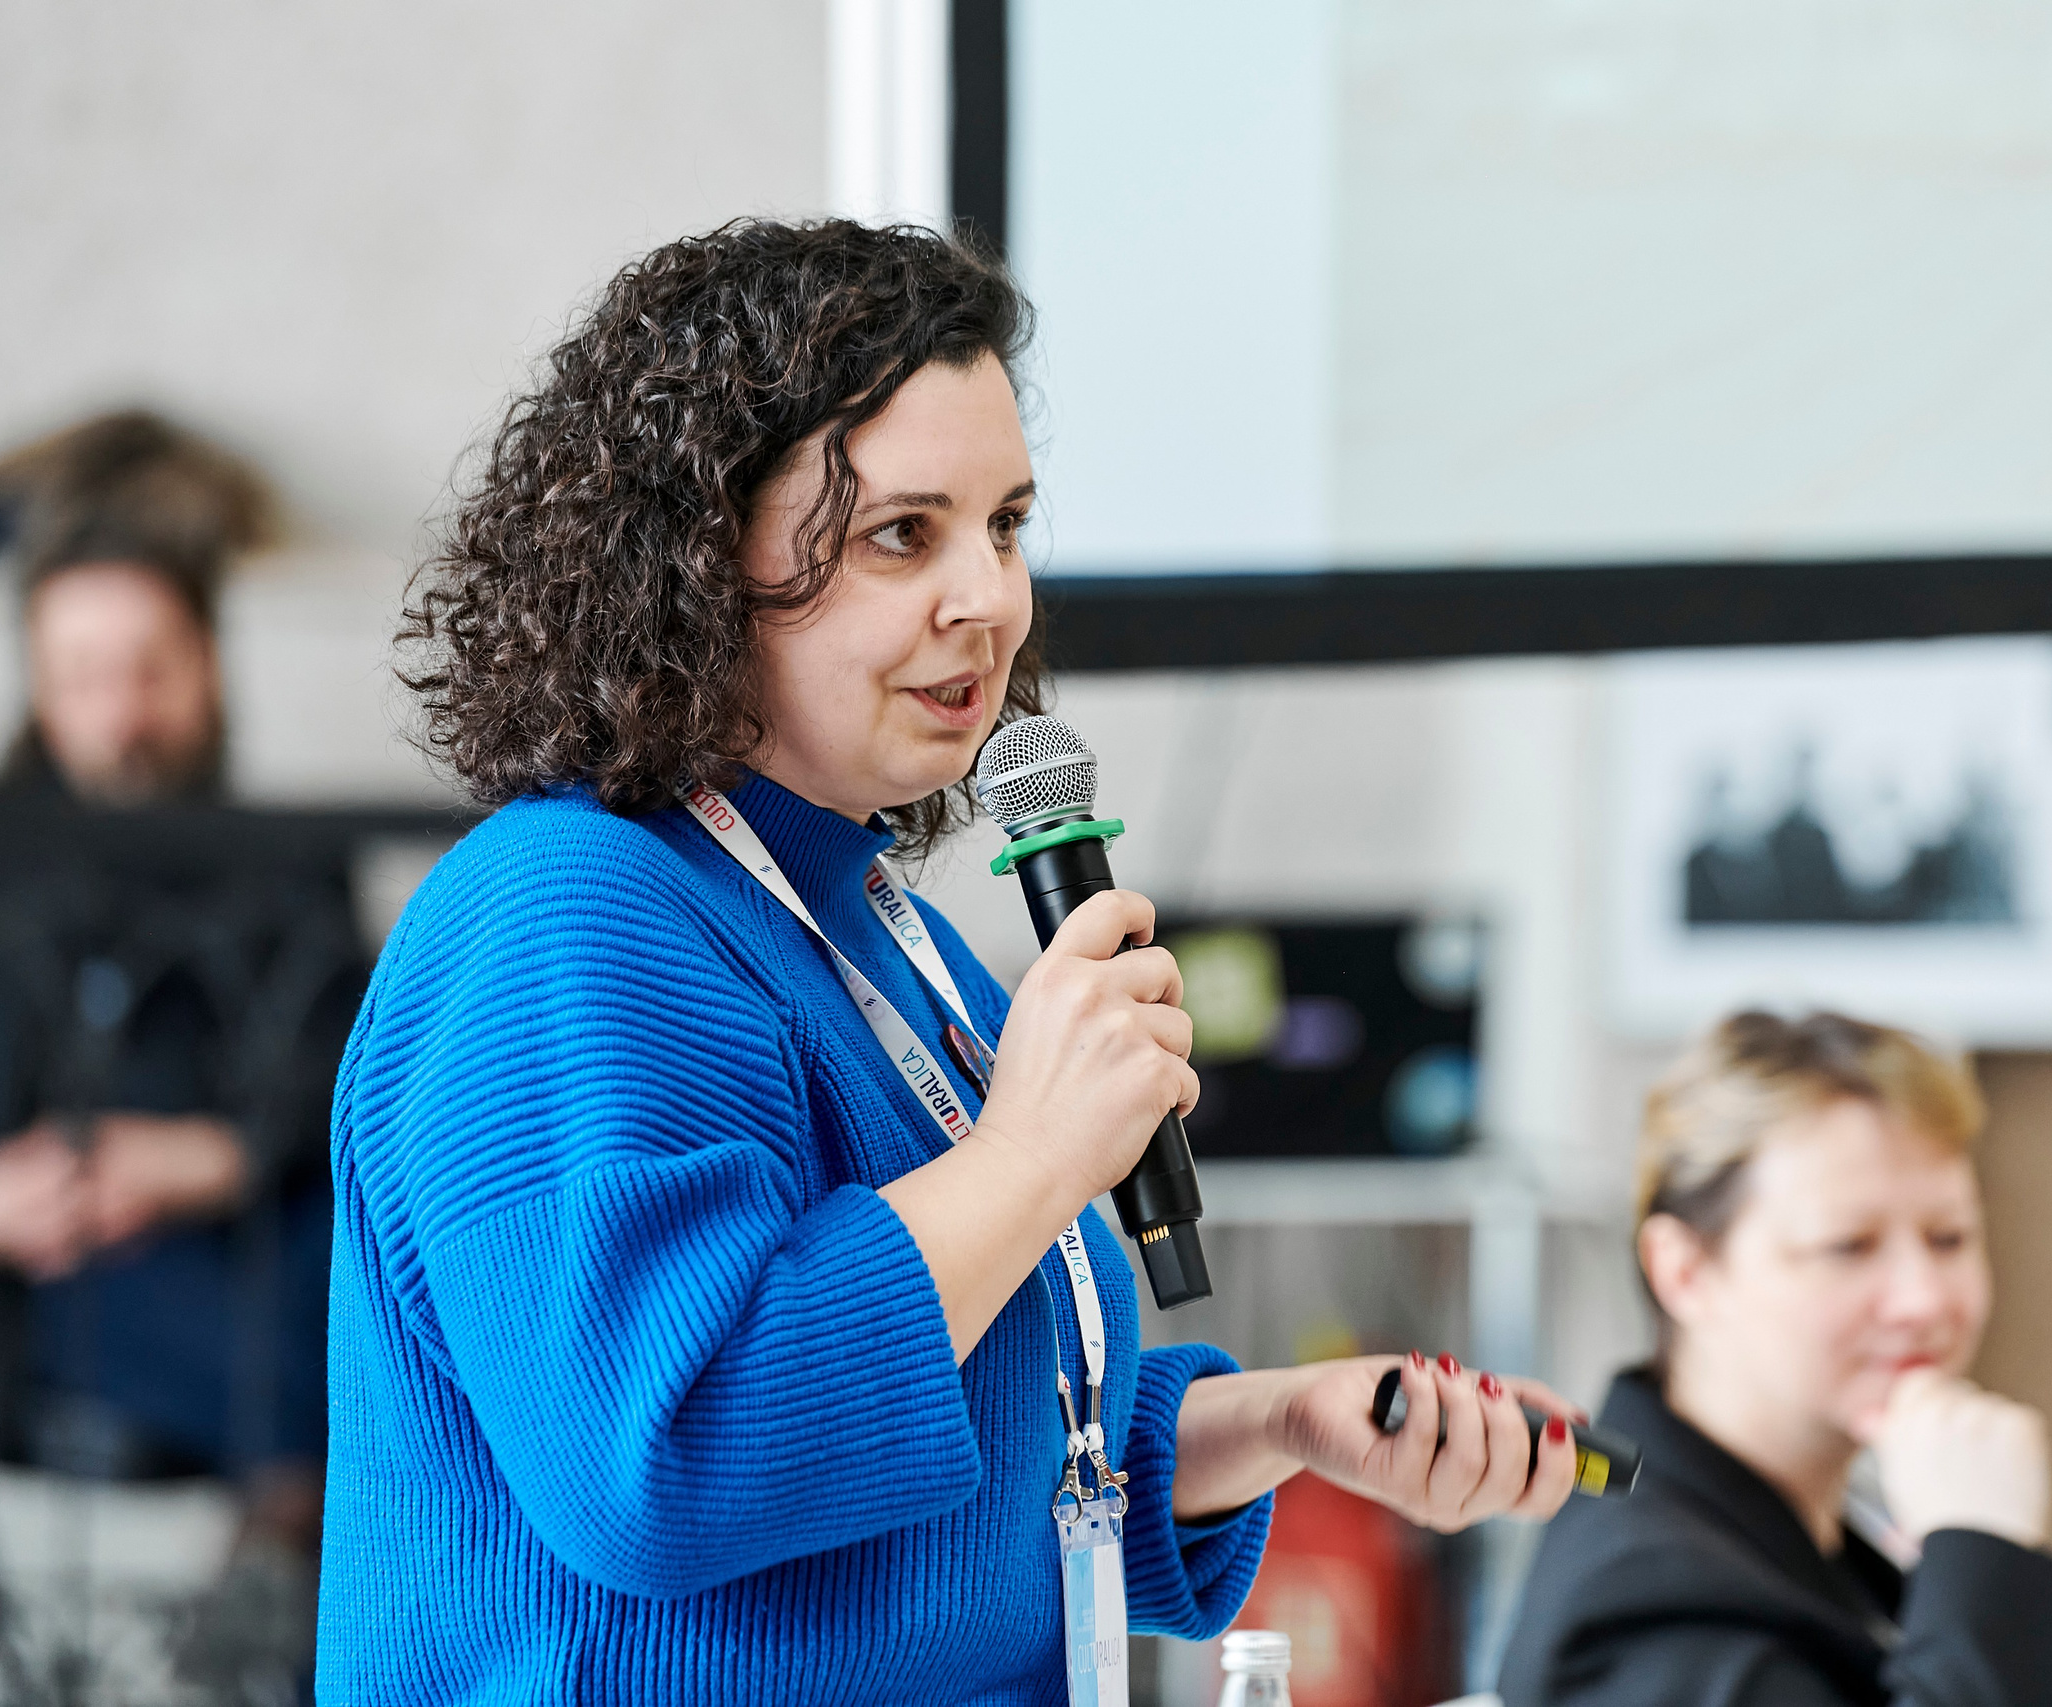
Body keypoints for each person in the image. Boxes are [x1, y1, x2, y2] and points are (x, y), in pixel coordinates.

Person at [321, 218, 1582, 1704]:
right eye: (902, 535)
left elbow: (994, 1433)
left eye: (1006, 524)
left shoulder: (886, 934)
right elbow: (669, 1457)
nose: (988, 595)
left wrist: (1286, 1422)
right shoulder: (562, 914)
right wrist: (1033, 1153)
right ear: (694, 563)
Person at [0, 411, 337, 1691]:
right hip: (14, 1282)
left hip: (223, 1250)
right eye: (85, 674)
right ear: (36, 683)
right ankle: (288, 1544)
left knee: (359, 1252)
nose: (123, 712)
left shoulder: (286, 867)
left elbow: (348, 1072)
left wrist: (209, 1158)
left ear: (209, 665)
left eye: (153, 668)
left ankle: (278, 1564)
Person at [1499, 1011, 2052, 1707]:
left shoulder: (1823, 1547)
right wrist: (1984, 1558)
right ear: (1685, 1272)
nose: (1924, 1298)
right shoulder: (1641, 1602)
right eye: (1848, 1245)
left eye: (1950, 1237)